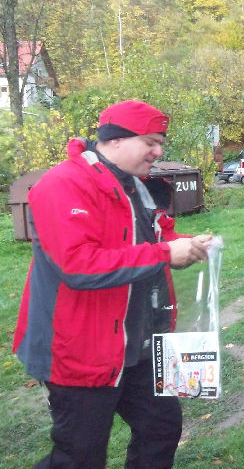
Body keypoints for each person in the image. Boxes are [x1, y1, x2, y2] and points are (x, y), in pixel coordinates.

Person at [13, 100, 215, 469]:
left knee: (161, 428)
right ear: (115, 140)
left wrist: (190, 245)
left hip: (136, 343)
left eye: (161, 143)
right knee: (80, 455)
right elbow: (77, 266)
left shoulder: (138, 186)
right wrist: (164, 254)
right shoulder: (62, 184)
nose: (159, 152)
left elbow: (157, 238)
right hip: (78, 349)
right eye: (151, 141)